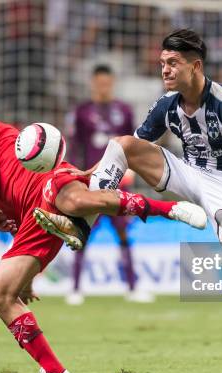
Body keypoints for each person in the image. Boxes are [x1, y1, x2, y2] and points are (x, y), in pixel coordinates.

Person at [37, 29, 222, 373]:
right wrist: (91, 173)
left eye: (173, 63)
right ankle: (81, 220)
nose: (164, 70)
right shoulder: (167, 104)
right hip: (188, 172)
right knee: (121, 144)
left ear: (195, 66)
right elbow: (131, 147)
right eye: (162, 63)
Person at [0, 113, 206, 373]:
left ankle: (168, 209)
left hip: (47, 180)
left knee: (75, 201)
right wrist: (26, 282)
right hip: (36, 219)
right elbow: (17, 235)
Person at [67, 64, 152, 305]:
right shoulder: (82, 111)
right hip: (91, 184)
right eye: (99, 83)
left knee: (123, 231)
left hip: (118, 183)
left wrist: (133, 170)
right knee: (82, 233)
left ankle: (132, 287)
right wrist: (76, 179)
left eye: (107, 83)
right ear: (93, 83)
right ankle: (74, 288)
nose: (103, 87)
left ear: (112, 83)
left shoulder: (123, 110)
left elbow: (131, 145)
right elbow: (76, 146)